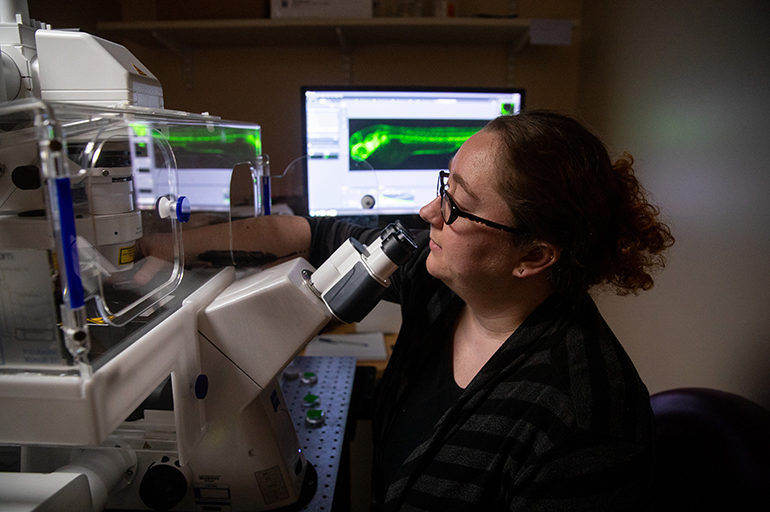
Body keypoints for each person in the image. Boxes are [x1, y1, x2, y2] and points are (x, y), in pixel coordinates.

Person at [139, 110, 674, 511]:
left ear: (532, 257)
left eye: (458, 206)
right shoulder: (441, 284)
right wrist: (164, 249)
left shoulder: (584, 423)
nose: (427, 213)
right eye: (446, 184)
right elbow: (311, 232)